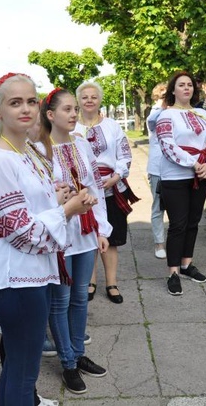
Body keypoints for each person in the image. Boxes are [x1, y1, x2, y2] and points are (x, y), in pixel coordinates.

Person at [0, 73, 92, 405]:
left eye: (30, 101)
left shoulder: (28, 152)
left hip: (31, 274)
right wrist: (67, 209)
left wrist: (56, 197)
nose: (25, 108)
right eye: (14, 102)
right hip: (16, 277)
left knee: (18, 366)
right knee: (24, 370)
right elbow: (22, 233)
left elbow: (29, 209)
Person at [38, 87, 110, 394]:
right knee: (61, 300)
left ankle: (78, 353)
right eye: (66, 109)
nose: (73, 114)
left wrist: (102, 228)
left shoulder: (82, 145)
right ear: (51, 115)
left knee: (81, 296)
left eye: (74, 109)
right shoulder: (39, 149)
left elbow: (96, 186)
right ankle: (67, 361)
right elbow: (39, 197)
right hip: (61, 233)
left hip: (86, 229)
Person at [156, 72, 206, 296]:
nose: (186, 88)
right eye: (181, 85)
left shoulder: (202, 112)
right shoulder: (166, 115)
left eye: (190, 85)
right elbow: (167, 145)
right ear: (173, 90)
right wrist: (195, 163)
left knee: (194, 221)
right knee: (178, 224)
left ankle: (186, 264)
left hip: (201, 174)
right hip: (175, 176)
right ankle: (173, 272)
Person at [74, 81, 139, 304]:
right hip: (83, 191)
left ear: (99, 99)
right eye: (85, 97)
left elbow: (124, 154)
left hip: (111, 186)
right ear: (78, 101)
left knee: (110, 239)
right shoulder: (73, 128)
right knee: (88, 236)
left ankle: (111, 283)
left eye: (93, 96)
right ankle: (89, 282)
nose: (89, 100)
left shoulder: (112, 126)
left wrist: (116, 177)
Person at [146, 83, 168, 259]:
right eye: (162, 93)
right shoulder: (155, 111)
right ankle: (159, 242)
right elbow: (152, 122)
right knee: (158, 206)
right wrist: (165, 106)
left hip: (177, 167)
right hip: (157, 167)